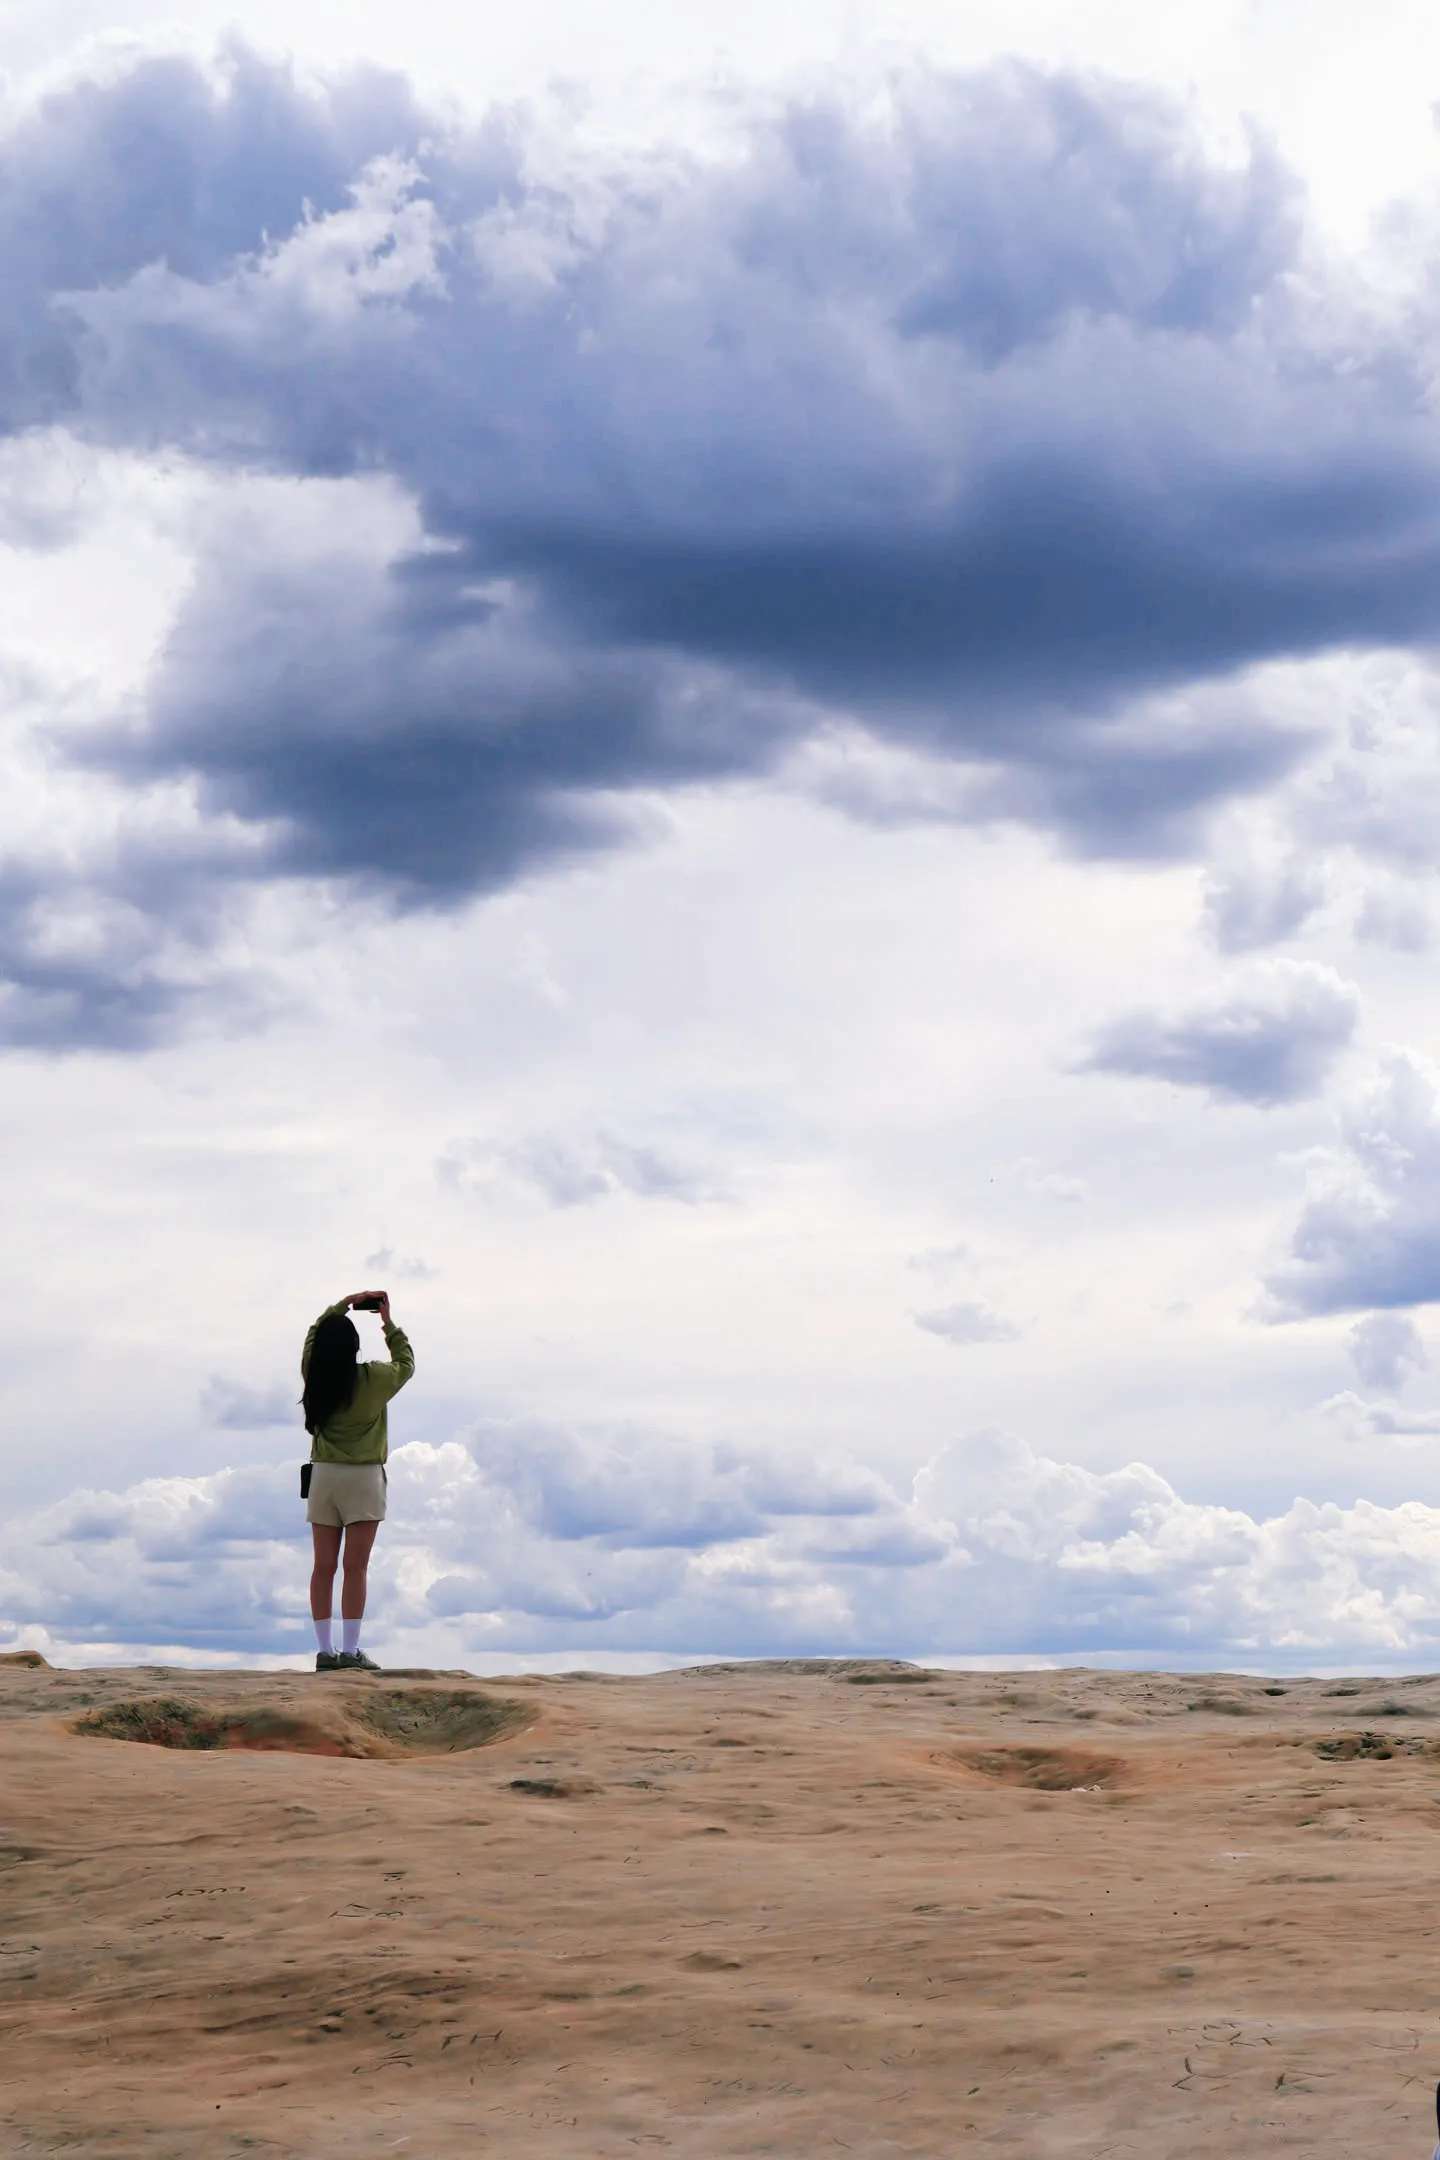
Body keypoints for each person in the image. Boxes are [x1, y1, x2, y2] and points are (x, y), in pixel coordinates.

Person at [301, 1289, 414, 1673]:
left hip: (324, 1475)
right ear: (354, 1346)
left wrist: (343, 1303)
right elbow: (406, 1363)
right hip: (364, 1477)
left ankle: (324, 1652)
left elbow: (314, 1335)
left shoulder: (313, 1376)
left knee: (322, 1567)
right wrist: (387, 1323)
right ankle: (350, 1652)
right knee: (356, 1568)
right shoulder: (373, 1379)